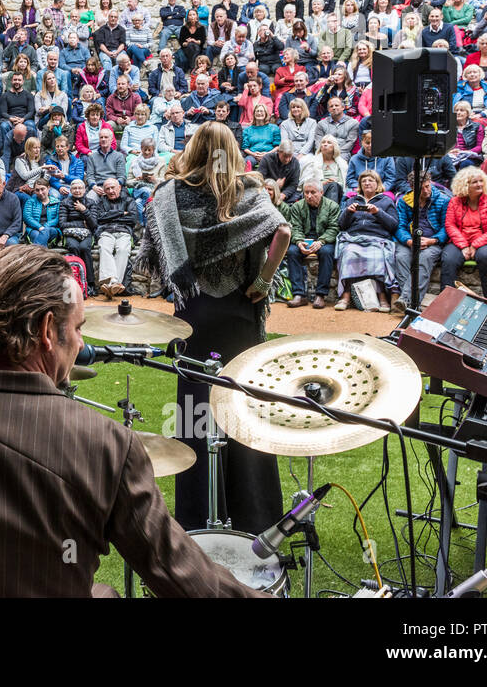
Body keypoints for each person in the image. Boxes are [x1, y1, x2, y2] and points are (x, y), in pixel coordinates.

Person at [0, 243, 265, 598]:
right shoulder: (108, 445)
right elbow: (183, 576)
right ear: (45, 331)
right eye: (77, 329)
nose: (80, 343)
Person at [136, 121, 290, 535]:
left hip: (194, 314)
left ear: (193, 149)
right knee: (244, 409)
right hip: (240, 313)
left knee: (194, 415)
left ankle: (196, 517)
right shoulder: (249, 190)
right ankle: (255, 516)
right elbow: (284, 231)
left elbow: (157, 248)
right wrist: (263, 281)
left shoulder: (170, 194)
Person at [440, 167, 487, 305]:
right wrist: (464, 245)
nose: (479, 184)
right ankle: (446, 302)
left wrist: (475, 245)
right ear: (465, 185)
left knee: (485, 256)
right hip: (461, 242)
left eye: (481, 181)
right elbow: (450, 225)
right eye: (474, 182)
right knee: (448, 258)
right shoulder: (454, 202)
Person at [333, 170, 398, 312]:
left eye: (370, 180)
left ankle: (382, 297)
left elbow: (393, 225)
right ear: (360, 185)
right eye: (364, 181)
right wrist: (348, 212)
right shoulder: (352, 200)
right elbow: (342, 225)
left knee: (378, 256)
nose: (367, 183)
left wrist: (378, 212)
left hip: (377, 239)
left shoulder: (386, 201)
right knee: (349, 253)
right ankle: (346, 295)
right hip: (354, 238)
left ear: (377, 184)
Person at [390, 169, 450, 312]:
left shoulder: (443, 200)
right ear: (412, 188)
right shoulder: (405, 201)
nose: (425, 191)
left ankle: (405, 300)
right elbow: (400, 226)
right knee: (401, 257)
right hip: (410, 240)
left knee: (424, 258)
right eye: (421, 188)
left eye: (427, 186)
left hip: (432, 241)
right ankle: (412, 304)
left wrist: (432, 241)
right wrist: (409, 241)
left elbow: (446, 227)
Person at [281, 180, 339, 308]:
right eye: (306, 192)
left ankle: (320, 295)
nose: (309, 196)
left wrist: (321, 241)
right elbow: (295, 228)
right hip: (304, 239)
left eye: (313, 192)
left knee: (327, 252)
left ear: (321, 192)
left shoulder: (332, 206)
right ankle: (299, 295)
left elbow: (334, 228)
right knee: (292, 251)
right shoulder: (297, 207)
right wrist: (299, 242)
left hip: (323, 240)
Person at [91, 177, 140, 298]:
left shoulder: (129, 201)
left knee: (123, 250)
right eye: (107, 188)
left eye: (113, 187)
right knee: (104, 248)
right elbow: (99, 218)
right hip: (106, 231)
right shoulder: (101, 202)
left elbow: (133, 219)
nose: (111, 191)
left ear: (119, 187)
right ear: (104, 191)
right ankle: (114, 282)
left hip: (124, 231)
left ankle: (111, 283)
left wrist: (109, 216)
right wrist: (120, 213)